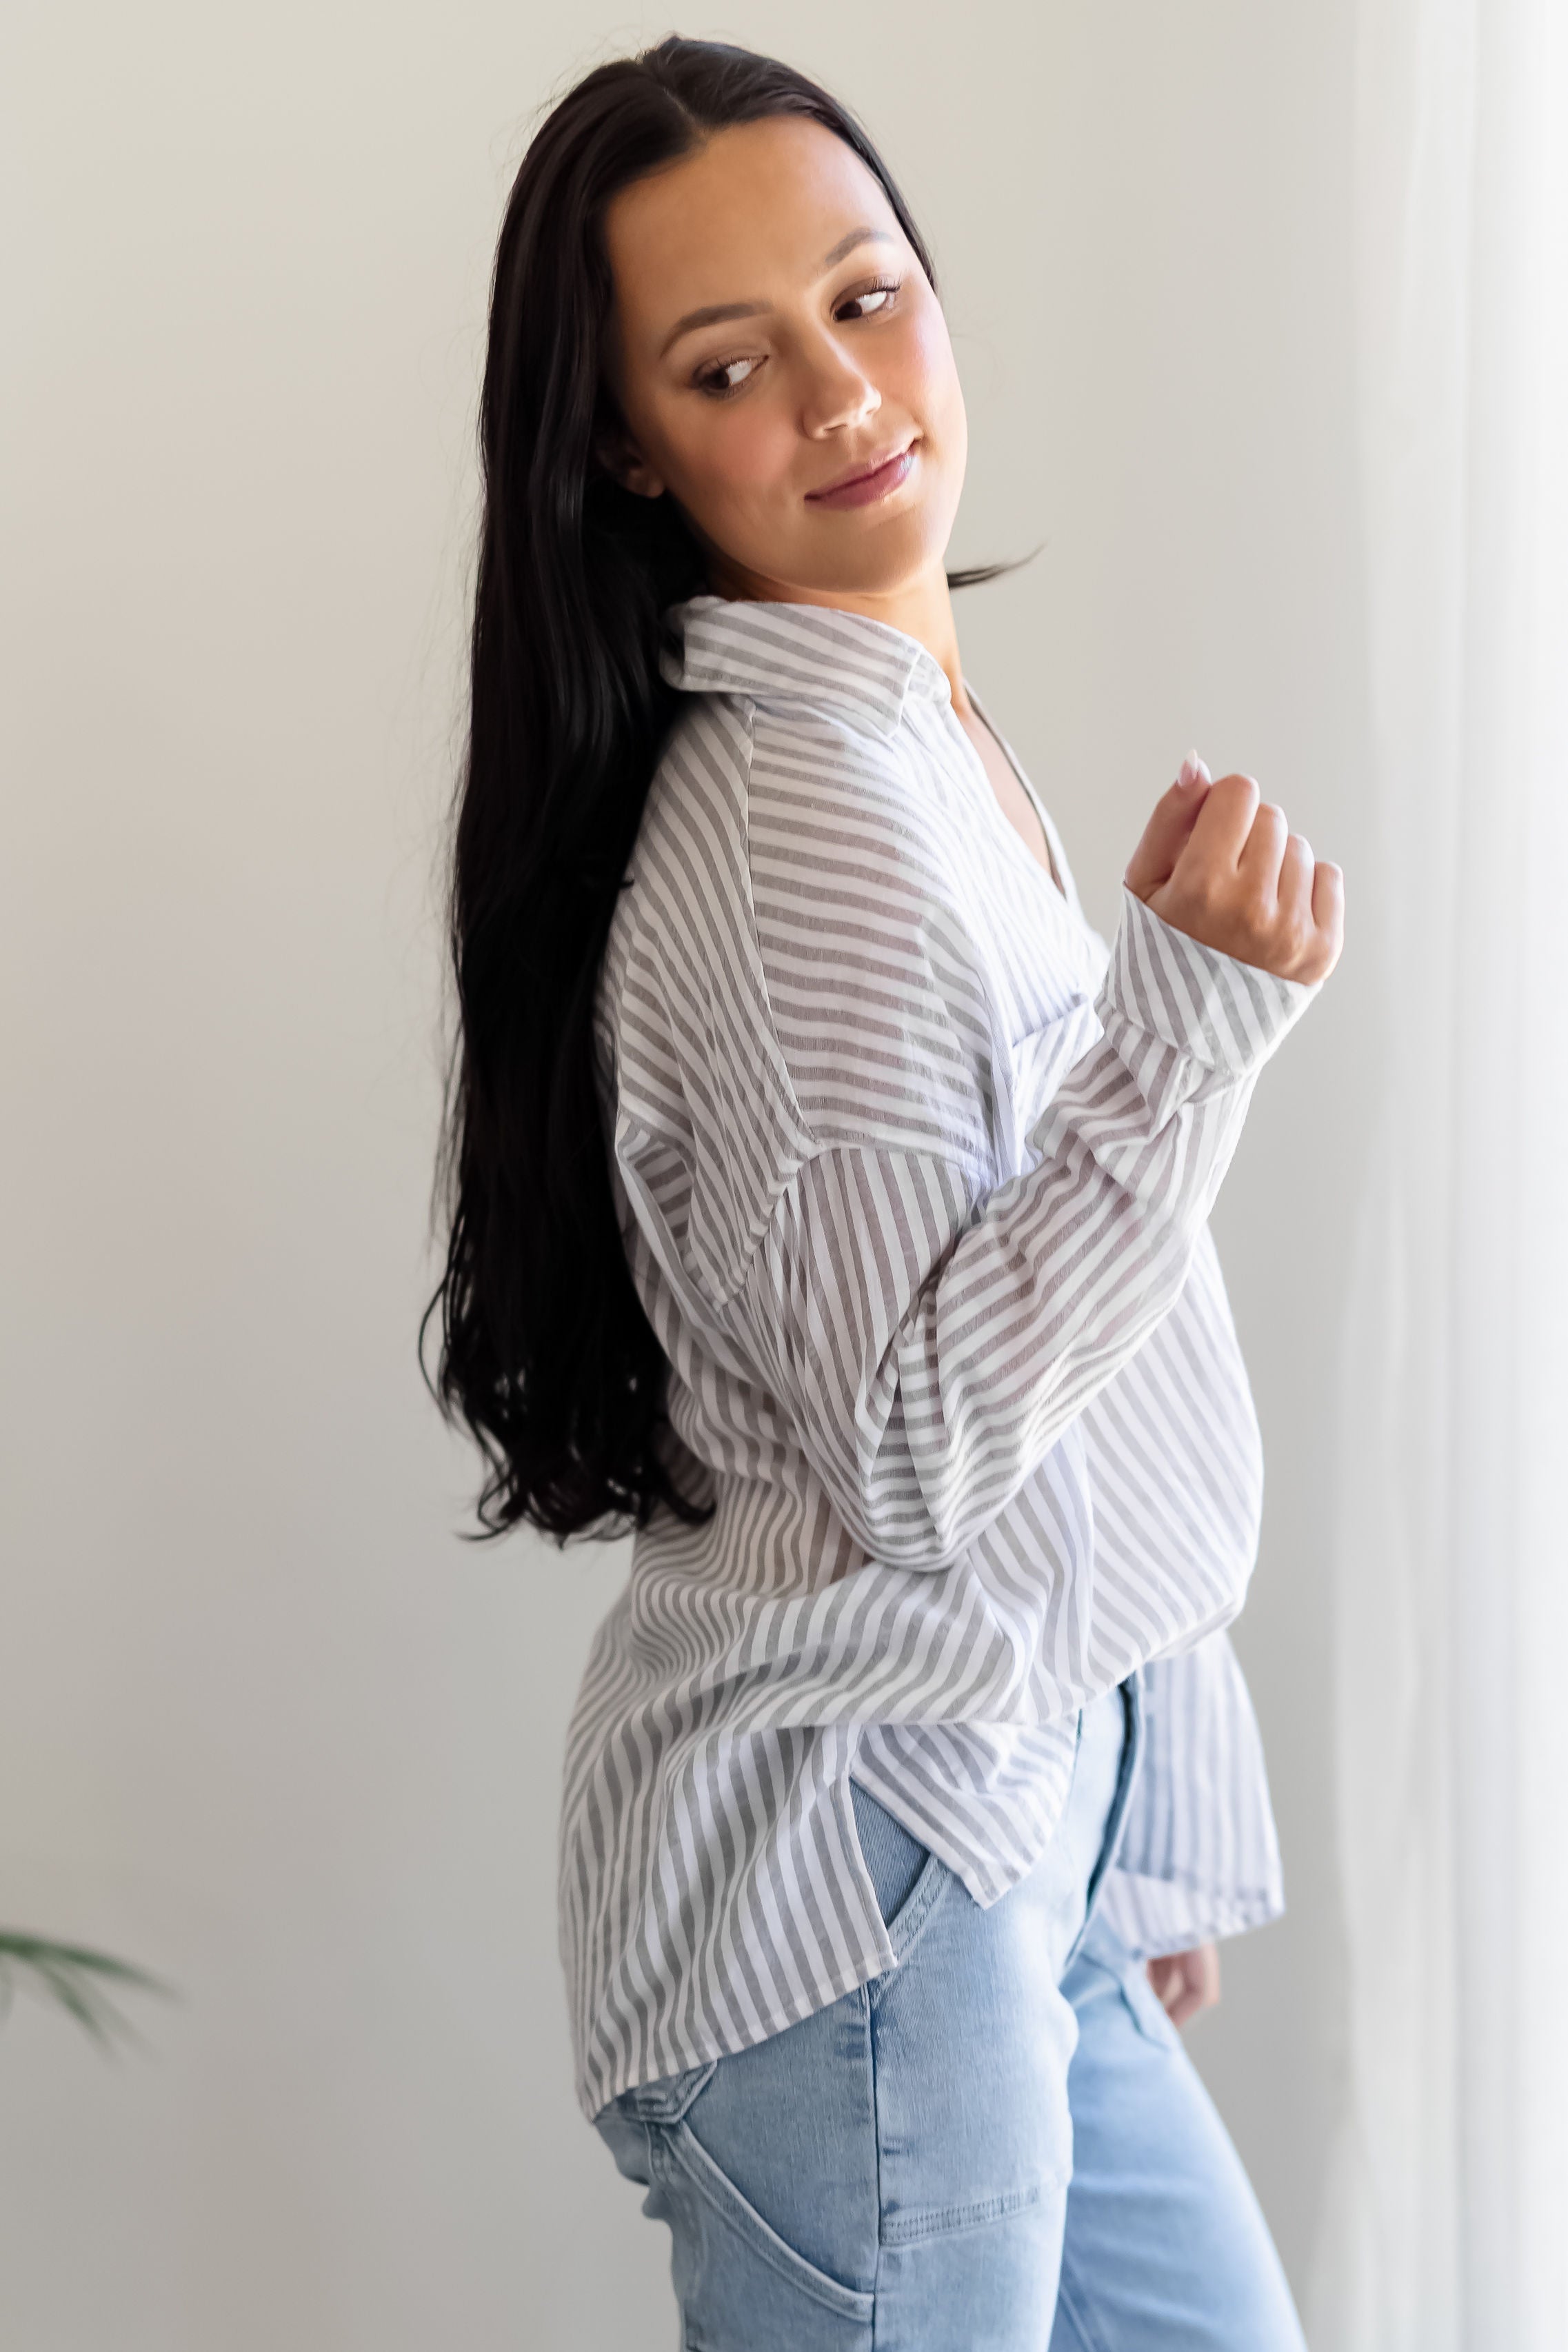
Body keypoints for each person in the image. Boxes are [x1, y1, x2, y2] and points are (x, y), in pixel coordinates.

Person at [430, 35, 1343, 2350]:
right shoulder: (803, 829)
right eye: (728, 363)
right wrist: (1190, 1035)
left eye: (863, 298)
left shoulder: (899, 736)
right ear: (626, 446)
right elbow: (924, 1447)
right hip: (871, 1888)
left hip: (1004, 1828)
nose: (842, 393)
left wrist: (1135, 1790)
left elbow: (1066, 1371)